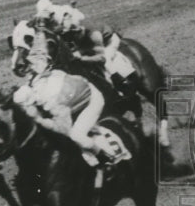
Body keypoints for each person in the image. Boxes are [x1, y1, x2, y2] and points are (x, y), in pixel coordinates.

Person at [13, 35, 120, 167]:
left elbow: (63, 128)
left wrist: (39, 119)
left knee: (76, 136)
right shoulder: (34, 81)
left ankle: (107, 157)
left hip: (92, 101)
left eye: (32, 63)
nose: (30, 67)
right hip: (72, 99)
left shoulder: (49, 96)